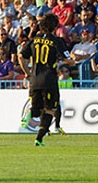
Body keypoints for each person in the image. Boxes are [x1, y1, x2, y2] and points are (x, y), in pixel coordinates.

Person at [18, 14, 74, 146]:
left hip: (35, 79)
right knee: (50, 109)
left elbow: (20, 56)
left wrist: (27, 73)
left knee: (37, 109)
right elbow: (67, 59)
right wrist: (71, 62)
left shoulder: (34, 40)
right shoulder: (56, 41)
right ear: (55, 26)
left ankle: (30, 117)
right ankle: (39, 137)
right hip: (49, 79)